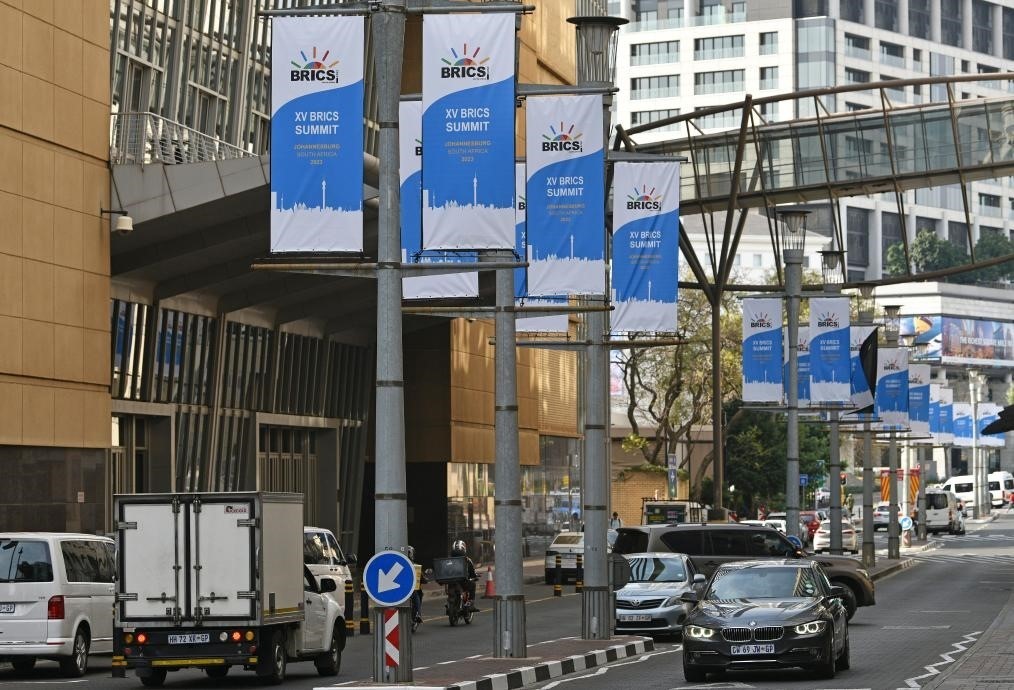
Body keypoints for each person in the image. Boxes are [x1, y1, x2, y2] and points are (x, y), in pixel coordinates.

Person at [450, 540, 479, 609]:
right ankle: (470, 602)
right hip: (463, 581)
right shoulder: (467, 560)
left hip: (451, 582)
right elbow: (472, 573)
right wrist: (475, 576)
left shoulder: (449, 561)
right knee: (473, 584)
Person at [406, 545, 426, 625]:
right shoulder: (414, 565)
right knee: (416, 594)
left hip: (400, 589)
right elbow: (421, 577)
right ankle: (418, 614)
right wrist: (425, 580)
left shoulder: (399, 563)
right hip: (410, 589)